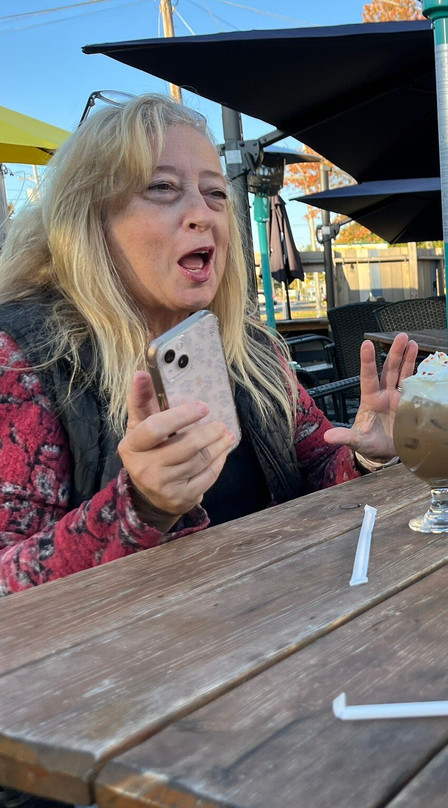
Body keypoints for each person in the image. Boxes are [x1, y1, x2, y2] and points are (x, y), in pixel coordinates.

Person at [0, 94, 419, 597]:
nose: (203, 214)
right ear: (89, 219)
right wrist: (141, 507)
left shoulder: (250, 347)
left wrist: (366, 453)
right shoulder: (25, 357)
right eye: (162, 187)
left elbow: (315, 468)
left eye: (216, 193)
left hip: (281, 615)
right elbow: (8, 582)